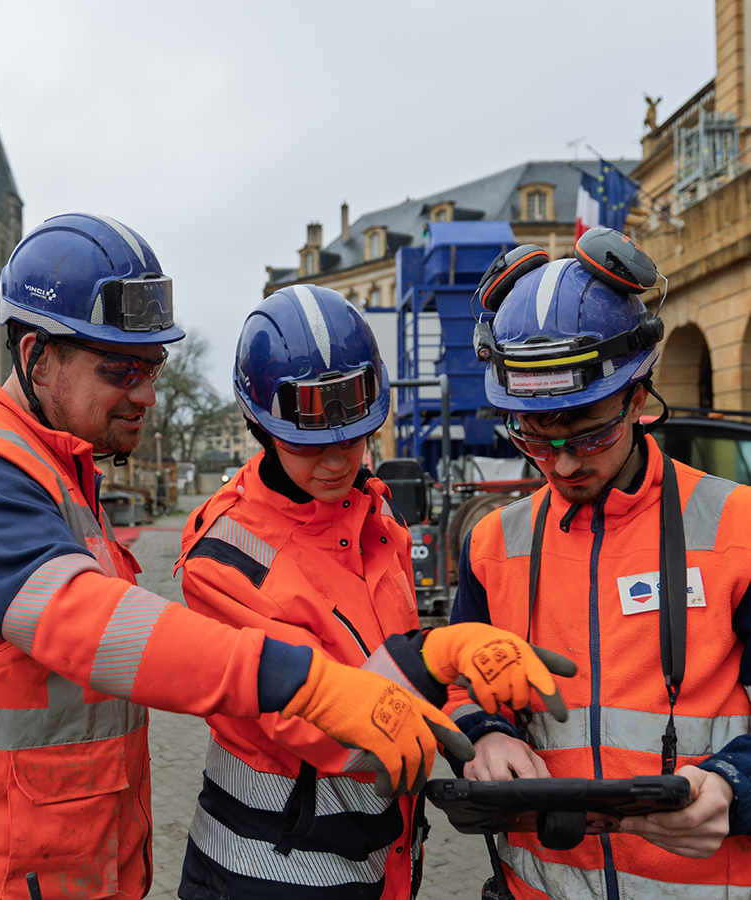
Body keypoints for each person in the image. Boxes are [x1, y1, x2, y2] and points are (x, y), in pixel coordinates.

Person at [0, 214, 569, 900]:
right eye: (120, 371)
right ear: (38, 358)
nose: (148, 396)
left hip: (56, 870)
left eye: (152, 368)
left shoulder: (63, 481)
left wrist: (471, 714)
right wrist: (309, 683)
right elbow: (88, 621)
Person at [174, 284, 576, 900]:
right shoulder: (226, 556)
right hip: (265, 874)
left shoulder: (378, 521)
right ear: (259, 424)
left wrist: (480, 728)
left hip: (380, 864)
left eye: (356, 435)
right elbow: (320, 720)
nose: (337, 460)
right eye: (310, 443)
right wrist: (444, 672)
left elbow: (401, 666)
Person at [449, 227, 751, 899]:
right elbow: (459, 685)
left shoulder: (740, 529)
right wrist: (484, 736)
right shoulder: (491, 544)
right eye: (533, 436)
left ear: (639, 396)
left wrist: (736, 788)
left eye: (589, 434)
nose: (560, 464)